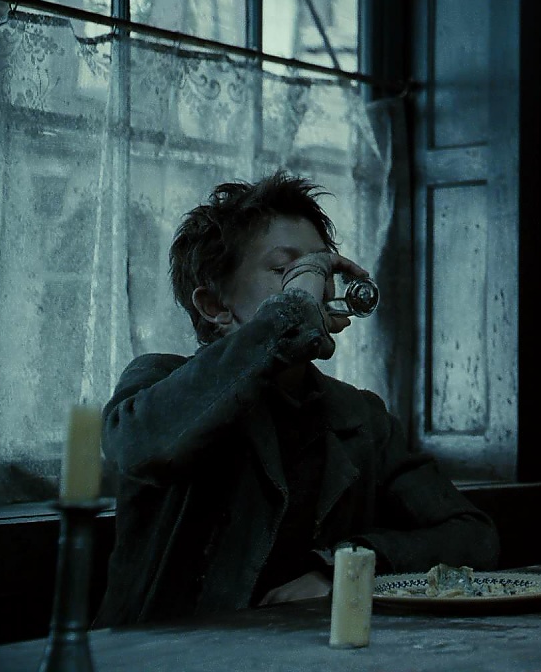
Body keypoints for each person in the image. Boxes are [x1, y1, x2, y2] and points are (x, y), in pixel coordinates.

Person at [95, 172, 499, 627]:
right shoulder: (157, 380)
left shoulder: (360, 416)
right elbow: (141, 447)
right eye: (286, 271)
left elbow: (473, 536)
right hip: (162, 655)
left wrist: (341, 568)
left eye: (318, 270)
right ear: (215, 306)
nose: (314, 288)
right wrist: (288, 316)